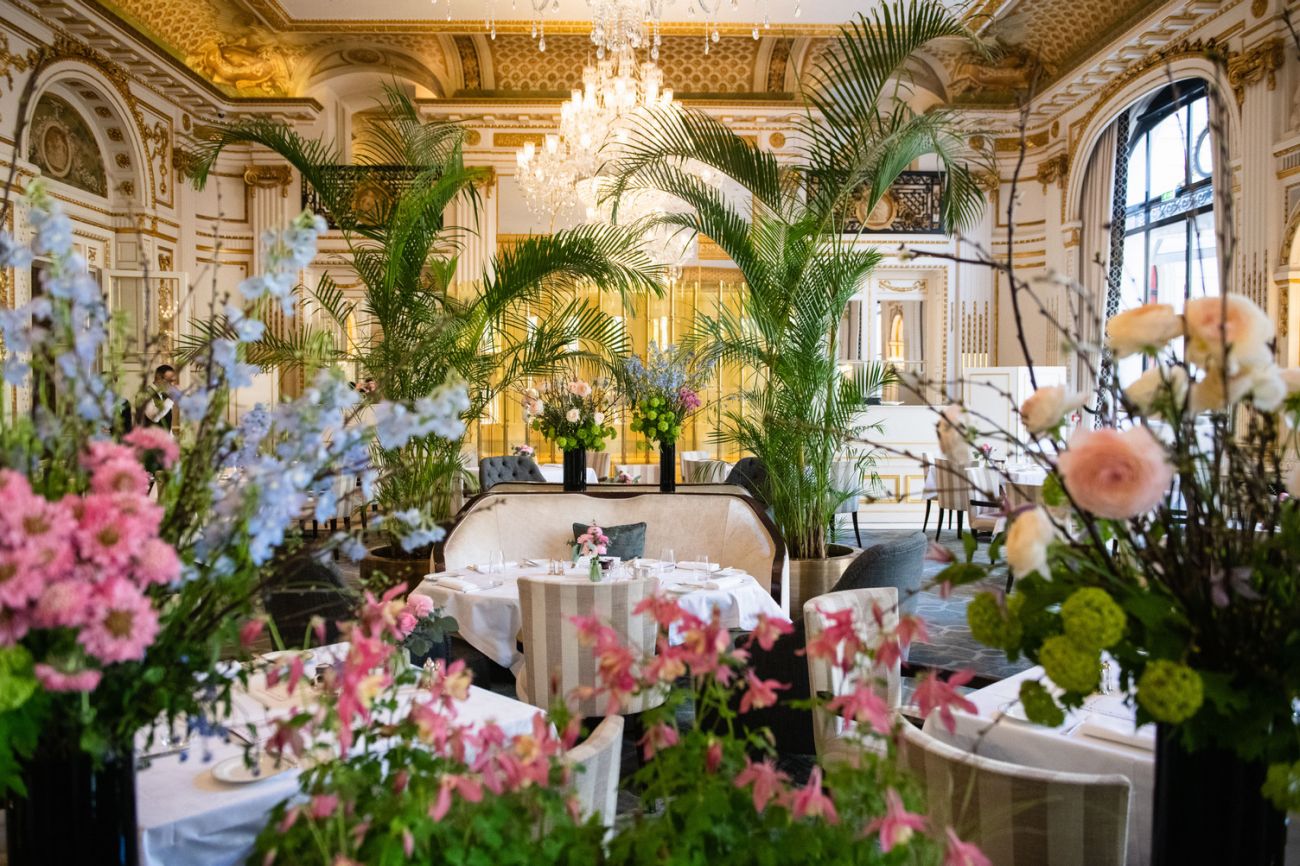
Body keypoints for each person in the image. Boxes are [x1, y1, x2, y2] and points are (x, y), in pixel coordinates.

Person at [136, 364, 177, 430]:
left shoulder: (164, 396)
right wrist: (170, 399)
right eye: (169, 381)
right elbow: (154, 417)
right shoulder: (143, 394)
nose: (172, 384)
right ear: (159, 378)